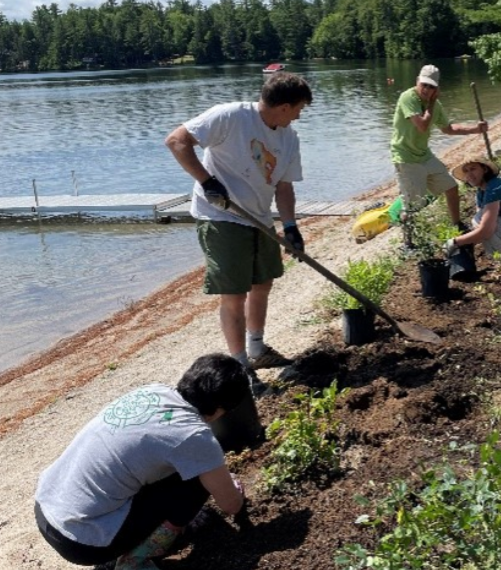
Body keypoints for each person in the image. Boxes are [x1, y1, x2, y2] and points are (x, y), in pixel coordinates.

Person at [34, 353, 250, 569]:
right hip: (81, 541)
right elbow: (230, 505)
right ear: (221, 409)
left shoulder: (152, 392)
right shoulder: (195, 435)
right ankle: (134, 561)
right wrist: (232, 489)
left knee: (169, 470)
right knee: (195, 484)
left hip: (46, 507)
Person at [165, 72, 313, 375]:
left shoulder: (289, 137)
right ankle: (241, 366)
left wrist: (291, 226)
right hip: (222, 215)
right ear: (284, 106)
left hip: (258, 217)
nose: (299, 116)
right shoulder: (231, 116)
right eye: (299, 109)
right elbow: (177, 141)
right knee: (234, 293)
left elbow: (283, 187)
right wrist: (207, 182)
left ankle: (257, 349)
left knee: (263, 283)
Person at [391, 64, 489, 243]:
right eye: (424, 85)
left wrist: (476, 129)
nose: (427, 90)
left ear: (437, 88)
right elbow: (422, 126)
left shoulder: (435, 105)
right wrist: (431, 104)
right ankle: (408, 243)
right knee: (412, 206)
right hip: (405, 158)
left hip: (424, 155)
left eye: (431, 87)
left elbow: (449, 129)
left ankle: (456, 224)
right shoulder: (408, 98)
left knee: (451, 187)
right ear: (417, 82)